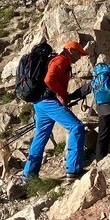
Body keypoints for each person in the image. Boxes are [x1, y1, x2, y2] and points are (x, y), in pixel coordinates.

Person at [22, 40, 89, 182]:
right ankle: (74, 169)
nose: (80, 57)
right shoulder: (61, 60)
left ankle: (29, 175)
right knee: (76, 127)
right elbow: (49, 80)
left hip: (39, 103)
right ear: (71, 50)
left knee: (40, 136)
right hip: (48, 102)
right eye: (79, 53)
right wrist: (62, 95)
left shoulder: (56, 59)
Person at [75, 62, 110, 160]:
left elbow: (82, 91)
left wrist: (69, 97)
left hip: (104, 111)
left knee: (103, 135)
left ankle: (100, 159)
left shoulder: (95, 81)